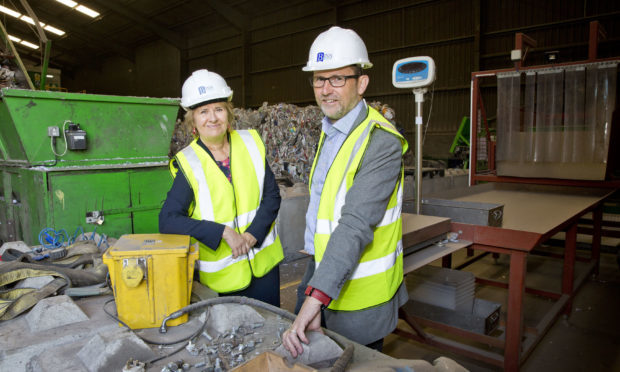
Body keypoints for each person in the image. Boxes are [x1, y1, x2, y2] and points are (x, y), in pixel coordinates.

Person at [282, 26, 409, 356]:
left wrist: (316, 297)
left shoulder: (381, 142)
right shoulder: (331, 130)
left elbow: (355, 224)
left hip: (361, 295)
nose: (326, 90)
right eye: (319, 79)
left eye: (337, 79)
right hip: (323, 270)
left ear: (361, 82)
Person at [159, 69, 283, 307]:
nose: (212, 118)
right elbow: (168, 220)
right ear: (192, 120)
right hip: (223, 281)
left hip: (265, 270)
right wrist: (223, 232)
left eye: (218, 109)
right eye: (203, 112)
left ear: (228, 113)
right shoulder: (189, 163)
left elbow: (271, 196)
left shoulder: (251, 143)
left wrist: (251, 235)